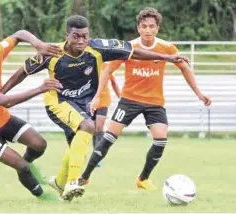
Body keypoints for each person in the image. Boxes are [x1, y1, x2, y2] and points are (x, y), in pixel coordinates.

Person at [0, 15, 189, 201]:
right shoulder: (52, 53)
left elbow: (133, 52)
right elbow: (22, 72)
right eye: (76, 36)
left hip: (82, 104)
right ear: (67, 35)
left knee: (77, 145)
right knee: (89, 127)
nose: (81, 40)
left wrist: (167, 57)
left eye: (85, 36)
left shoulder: (97, 48)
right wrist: (0, 94)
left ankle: (59, 182)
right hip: (58, 102)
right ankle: (72, 182)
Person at [81, 7, 212, 191]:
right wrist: (96, 97)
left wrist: (199, 93)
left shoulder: (167, 48)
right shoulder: (129, 47)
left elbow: (184, 67)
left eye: (152, 26)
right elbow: (108, 70)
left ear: (157, 28)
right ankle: (84, 177)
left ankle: (143, 179)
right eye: (144, 26)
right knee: (109, 137)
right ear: (138, 28)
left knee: (161, 139)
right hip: (129, 100)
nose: (148, 30)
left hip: (154, 103)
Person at [0, 31, 63, 198]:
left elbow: (19, 34)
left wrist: (39, 45)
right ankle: (44, 197)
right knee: (21, 166)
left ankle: (28, 166)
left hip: (1, 118)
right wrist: (40, 88)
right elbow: (5, 101)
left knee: (39, 144)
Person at [93, 66, 121, 167]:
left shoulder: (105, 66)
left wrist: (120, 97)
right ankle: (92, 151)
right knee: (92, 127)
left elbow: (113, 83)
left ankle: (97, 155)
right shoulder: (86, 62)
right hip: (88, 100)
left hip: (103, 100)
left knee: (99, 126)